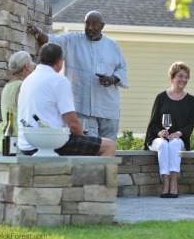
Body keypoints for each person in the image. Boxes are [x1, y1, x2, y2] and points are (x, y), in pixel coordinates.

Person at [25, 10, 128, 141]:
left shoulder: (112, 45)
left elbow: (122, 68)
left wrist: (112, 79)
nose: (90, 28)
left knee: (109, 148)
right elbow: (52, 41)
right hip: (83, 107)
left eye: (94, 24)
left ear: (102, 26)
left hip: (108, 107)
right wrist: (38, 33)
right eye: (87, 24)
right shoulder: (73, 40)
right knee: (91, 147)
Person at [17, 43, 115, 157]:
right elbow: (73, 124)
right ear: (60, 62)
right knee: (109, 146)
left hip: (25, 144)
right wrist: (83, 142)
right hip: (49, 144)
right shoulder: (59, 80)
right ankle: (90, 175)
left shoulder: (28, 80)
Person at [144, 62, 194, 198]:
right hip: (159, 138)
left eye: (186, 77)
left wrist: (178, 133)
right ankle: (165, 183)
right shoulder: (161, 97)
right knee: (163, 144)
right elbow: (153, 124)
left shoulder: (191, 100)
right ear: (172, 77)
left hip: (179, 138)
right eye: (180, 76)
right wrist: (159, 132)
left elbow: (190, 125)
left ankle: (173, 184)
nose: (184, 80)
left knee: (173, 144)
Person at [0, 51, 36, 153]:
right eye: (31, 62)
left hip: (5, 140)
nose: (34, 65)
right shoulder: (21, 86)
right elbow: (29, 114)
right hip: (17, 142)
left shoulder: (8, 85)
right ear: (27, 66)